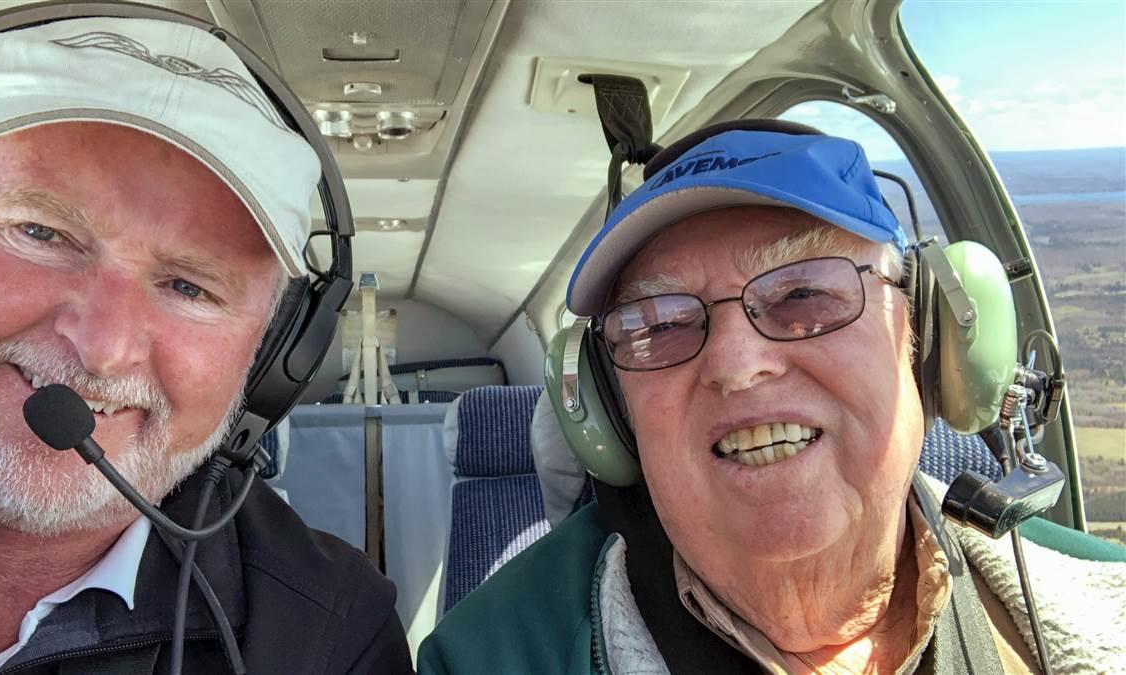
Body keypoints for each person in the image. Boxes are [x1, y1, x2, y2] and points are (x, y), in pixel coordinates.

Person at [418, 123, 1126, 673]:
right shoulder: (484, 655)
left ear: (931, 341)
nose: (736, 364)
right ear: (609, 409)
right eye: (660, 323)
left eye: (805, 294)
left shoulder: (1101, 605)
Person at [0, 13, 411, 674]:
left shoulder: (328, 635)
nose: (102, 346)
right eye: (40, 233)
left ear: (273, 362)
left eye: (188, 286)